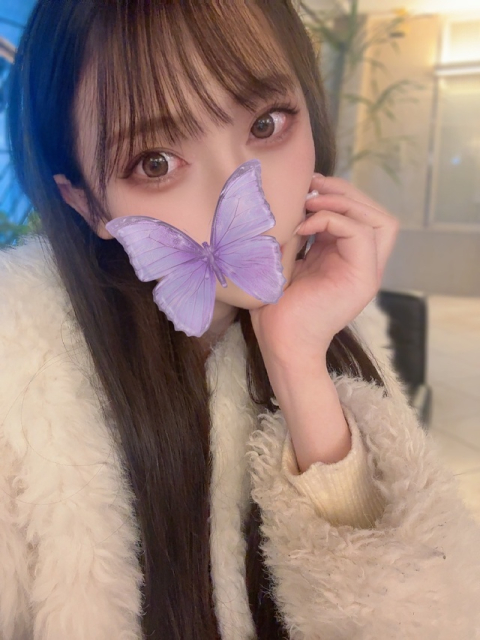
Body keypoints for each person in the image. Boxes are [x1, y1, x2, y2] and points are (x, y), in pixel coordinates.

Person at [1, 1, 479, 639]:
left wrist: (299, 365)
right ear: (89, 204)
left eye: (266, 123)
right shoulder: (17, 379)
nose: (249, 199)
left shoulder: (339, 328)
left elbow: (426, 620)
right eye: (155, 163)